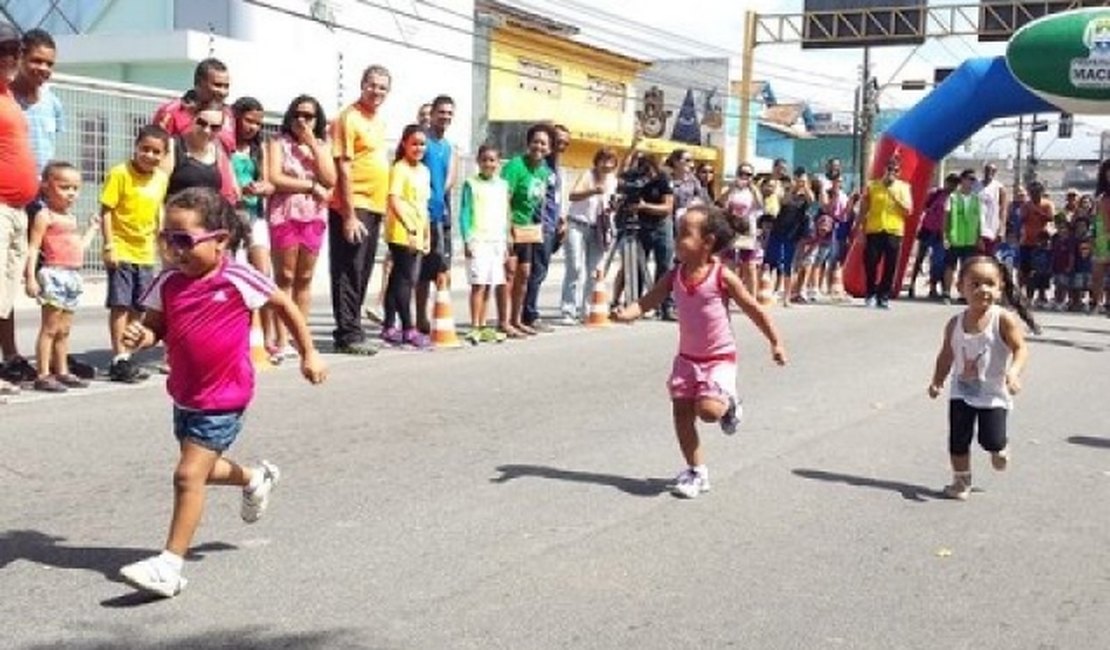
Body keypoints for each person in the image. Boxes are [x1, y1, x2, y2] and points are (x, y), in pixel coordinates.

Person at [116, 187, 326, 599]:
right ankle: (255, 477)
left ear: (220, 240)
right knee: (204, 470)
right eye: (168, 239)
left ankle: (170, 566)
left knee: (187, 474)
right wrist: (143, 334)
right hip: (185, 393)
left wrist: (310, 353)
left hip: (225, 395)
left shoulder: (237, 277)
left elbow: (285, 305)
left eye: (185, 240)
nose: (175, 250)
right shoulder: (169, 281)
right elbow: (157, 324)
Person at [614, 205, 786, 499]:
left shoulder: (722, 276)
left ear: (707, 243)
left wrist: (775, 341)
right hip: (687, 359)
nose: (677, 238)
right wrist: (627, 313)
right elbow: (649, 300)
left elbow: (753, 309)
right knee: (681, 413)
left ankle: (729, 403)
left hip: (719, 358)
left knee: (707, 412)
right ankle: (696, 472)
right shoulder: (675, 275)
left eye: (685, 234)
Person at [927, 255, 1033, 501]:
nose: (982, 289)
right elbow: (946, 355)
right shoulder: (954, 323)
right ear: (960, 287)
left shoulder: (1003, 319)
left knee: (990, 440)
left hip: (993, 395)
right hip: (961, 392)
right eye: (974, 284)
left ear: (1000, 288)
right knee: (957, 439)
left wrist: (1014, 372)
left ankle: (1000, 447)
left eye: (989, 284)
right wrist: (937, 381)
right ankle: (961, 481)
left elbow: (1021, 349)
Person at [328, 64, 391, 355]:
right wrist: (349, 214)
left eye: (382, 87)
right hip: (354, 205)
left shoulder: (377, 120)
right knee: (348, 268)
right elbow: (343, 165)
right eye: (372, 85)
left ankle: (354, 327)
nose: (376, 91)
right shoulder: (348, 118)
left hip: (374, 205)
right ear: (362, 84)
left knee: (363, 269)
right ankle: (347, 333)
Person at [266, 94, 335, 358]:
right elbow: (275, 177)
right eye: (297, 115)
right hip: (285, 213)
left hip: (314, 215)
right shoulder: (277, 143)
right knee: (285, 276)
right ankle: (281, 339)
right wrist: (310, 185)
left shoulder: (321, 145)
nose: (301, 120)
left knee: (304, 278)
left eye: (308, 116)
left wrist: (313, 147)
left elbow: (329, 179)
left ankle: (300, 335)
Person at [23, 162, 97, 392]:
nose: (71, 193)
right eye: (65, 187)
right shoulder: (45, 216)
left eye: (75, 188)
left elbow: (79, 247)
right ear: (46, 186)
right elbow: (33, 248)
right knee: (50, 327)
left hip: (71, 275)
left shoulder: (71, 218)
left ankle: (62, 369)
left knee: (64, 329)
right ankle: (43, 373)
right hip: (54, 273)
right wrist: (30, 277)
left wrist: (92, 229)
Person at [0, 23, 42, 393]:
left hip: (16, 208)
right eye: (3, 50)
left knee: (4, 292)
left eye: (14, 50)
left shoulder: (7, 95)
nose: (10, 57)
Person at [230, 96, 277, 352]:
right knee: (236, 277)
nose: (253, 127)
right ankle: (241, 335)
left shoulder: (260, 149)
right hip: (230, 217)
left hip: (255, 216)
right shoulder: (225, 146)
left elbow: (270, 184)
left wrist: (260, 187)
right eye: (248, 121)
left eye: (258, 123)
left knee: (262, 274)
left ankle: (266, 336)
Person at [381, 125, 431, 348]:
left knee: (397, 280)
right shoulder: (399, 169)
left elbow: (423, 205)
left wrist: (426, 233)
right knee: (405, 280)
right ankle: (408, 328)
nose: (418, 148)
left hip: (418, 229)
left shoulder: (424, 171)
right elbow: (394, 200)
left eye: (422, 144)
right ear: (404, 144)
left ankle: (389, 325)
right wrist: (409, 227)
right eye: (414, 143)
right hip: (401, 231)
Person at [501, 124, 552, 335]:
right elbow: (504, 197)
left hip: (529, 230)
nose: (539, 146)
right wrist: (507, 229)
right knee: (510, 275)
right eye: (536, 141)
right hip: (511, 226)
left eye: (544, 143)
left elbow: (538, 202)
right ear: (528, 143)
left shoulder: (543, 171)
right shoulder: (515, 165)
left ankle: (517, 319)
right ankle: (504, 322)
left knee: (525, 274)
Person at [414, 95, 458, 335]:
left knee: (441, 268)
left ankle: (440, 316)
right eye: (441, 112)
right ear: (432, 114)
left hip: (441, 215)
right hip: (421, 214)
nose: (445, 117)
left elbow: (450, 177)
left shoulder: (448, 146)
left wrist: (441, 196)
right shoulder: (423, 141)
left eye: (449, 113)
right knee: (421, 272)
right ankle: (419, 318)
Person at [560, 147, 617, 324]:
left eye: (611, 162)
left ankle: (587, 309)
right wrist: (592, 191)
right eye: (604, 161)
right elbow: (572, 195)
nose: (607, 165)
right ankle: (568, 310)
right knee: (574, 266)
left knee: (595, 271)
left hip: (598, 228)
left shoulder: (613, 180)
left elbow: (610, 202)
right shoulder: (587, 175)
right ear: (597, 161)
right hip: (578, 223)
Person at [460, 144, 511, 343]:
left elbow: (505, 213)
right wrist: (467, 239)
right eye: (485, 160)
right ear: (478, 161)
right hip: (478, 239)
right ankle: (474, 325)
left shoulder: (502, 185)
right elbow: (465, 213)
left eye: (492, 160)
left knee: (490, 283)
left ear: (498, 163)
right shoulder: (470, 183)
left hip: (496, 241)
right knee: (478, 284)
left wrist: (507, 240)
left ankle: (483, 324)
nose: (488, 164)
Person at [523, 123, 571, 332]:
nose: (561, 146)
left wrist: (561, 219)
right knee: (534, 272)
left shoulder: (555, 168)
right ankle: (528, 314)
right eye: (558, 141)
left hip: (552, 226)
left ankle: (527, 312)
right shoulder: (540, 167)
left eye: (564, 143)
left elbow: (555, 199)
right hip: (538, 227)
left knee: (540, 272)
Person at [857, 158, 912, 308]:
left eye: (895, 170)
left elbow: (908, 210)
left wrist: (895, 197)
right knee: (871, 263)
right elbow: (864, 209)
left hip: (894, 231)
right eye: (889, 169)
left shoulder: (903, 187)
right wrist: (860, 230)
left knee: (890, 265)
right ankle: (870, 293)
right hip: (874, 229)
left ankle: (884, 295)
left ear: (899, 173)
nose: (892, 173)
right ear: (884, 170)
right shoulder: (873, 186)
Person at [152, 57, 235, 153]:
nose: (223, 92)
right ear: (198, 84)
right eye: (217, 85)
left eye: (226, 86)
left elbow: (229, 154)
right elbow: (156, 152)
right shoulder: (170, 113)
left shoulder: (228, 114)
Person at [162, 99, 237, 204]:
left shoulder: (218, 152)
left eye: (214, 127)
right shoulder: (173, 146)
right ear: (192, 119)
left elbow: (230, 192)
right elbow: (159, 187)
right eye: (202, 123)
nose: (206, 131)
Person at [11, 28, 60, 177]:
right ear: (20, 58)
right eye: (37, 61)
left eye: (49, 64)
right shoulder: (5, 100)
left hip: (42, 192)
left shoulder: (53, 103)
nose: (43, 68)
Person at [766, 167, 812, 307]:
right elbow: (784, 202)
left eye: (802, 180)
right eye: (798, 179)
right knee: (771, 260)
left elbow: (812, 200)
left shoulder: (805, 196)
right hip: (778, 230)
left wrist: (805, 186)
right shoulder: (786, 192)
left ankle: (786, 297)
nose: (800, 182)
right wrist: (793, 188)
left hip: (792, 234)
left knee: (788, 265)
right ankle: (768, 292)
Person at [909, 173, 957, 300]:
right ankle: (912, 285)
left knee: (938, 261)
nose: (952, 185)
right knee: (920, 257)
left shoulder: (954, 198)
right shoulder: (936, 194)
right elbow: (923, 207)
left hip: (941, 233)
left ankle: (934, 287)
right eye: (950, 182)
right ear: (946, 182)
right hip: (928, 229)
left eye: (955, 183)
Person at [719, 162, 762, 296]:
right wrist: (731, 188)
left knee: (749, 264)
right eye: (742, 174)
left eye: (748, 174)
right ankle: (729, 294)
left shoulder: (753, 191)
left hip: (747, 229)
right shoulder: (730, 189)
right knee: (729, 263)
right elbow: (720, 203)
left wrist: (754, 189)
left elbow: (761, 206)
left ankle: (752, 298)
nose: (745, 177)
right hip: (731, 228)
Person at [943, 170, 982, 303]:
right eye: (970, 179)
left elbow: (978, 220)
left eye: (974, 180)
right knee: (950, 266)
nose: (972, 182)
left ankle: (964, 294)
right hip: (955, 238)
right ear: (963, 180)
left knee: (967, 269)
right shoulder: (953, 197)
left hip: (970, 239)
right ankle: (947, 293)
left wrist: (979, 237)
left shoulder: (976, 199)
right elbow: (946, 218)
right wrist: (945, 236)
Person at [1018, 180, 1054, 293]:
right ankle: (1025, 293)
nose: (1034, 194)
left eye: (1037, 192)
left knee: (1041, 270)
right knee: (1025, 269)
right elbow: (1022, 219)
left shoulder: (1047, 204)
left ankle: (1041, 294)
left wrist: (1039, 213)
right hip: (1027, 241)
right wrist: (1027, 212)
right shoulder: (1025, 205)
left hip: (1041, 242)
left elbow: (1051, 218)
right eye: (1032, 192)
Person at [1089, 160, 1110, 315]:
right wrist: (1093, 236)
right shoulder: (1100, 196)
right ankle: (1096, 302)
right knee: (1097, 274)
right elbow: (1095, 219)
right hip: (1101, 238)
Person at [977, 163, 1007, 255]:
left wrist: (1002, 229)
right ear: (984, 171)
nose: (989, 172)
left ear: (995, 172)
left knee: (990, 257)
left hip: (992, 228)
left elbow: (1003, 210)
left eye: (992, 170)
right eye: (987, 170)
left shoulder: (999, 188)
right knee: (977, 257)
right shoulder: (976, 185)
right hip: (977, 228)